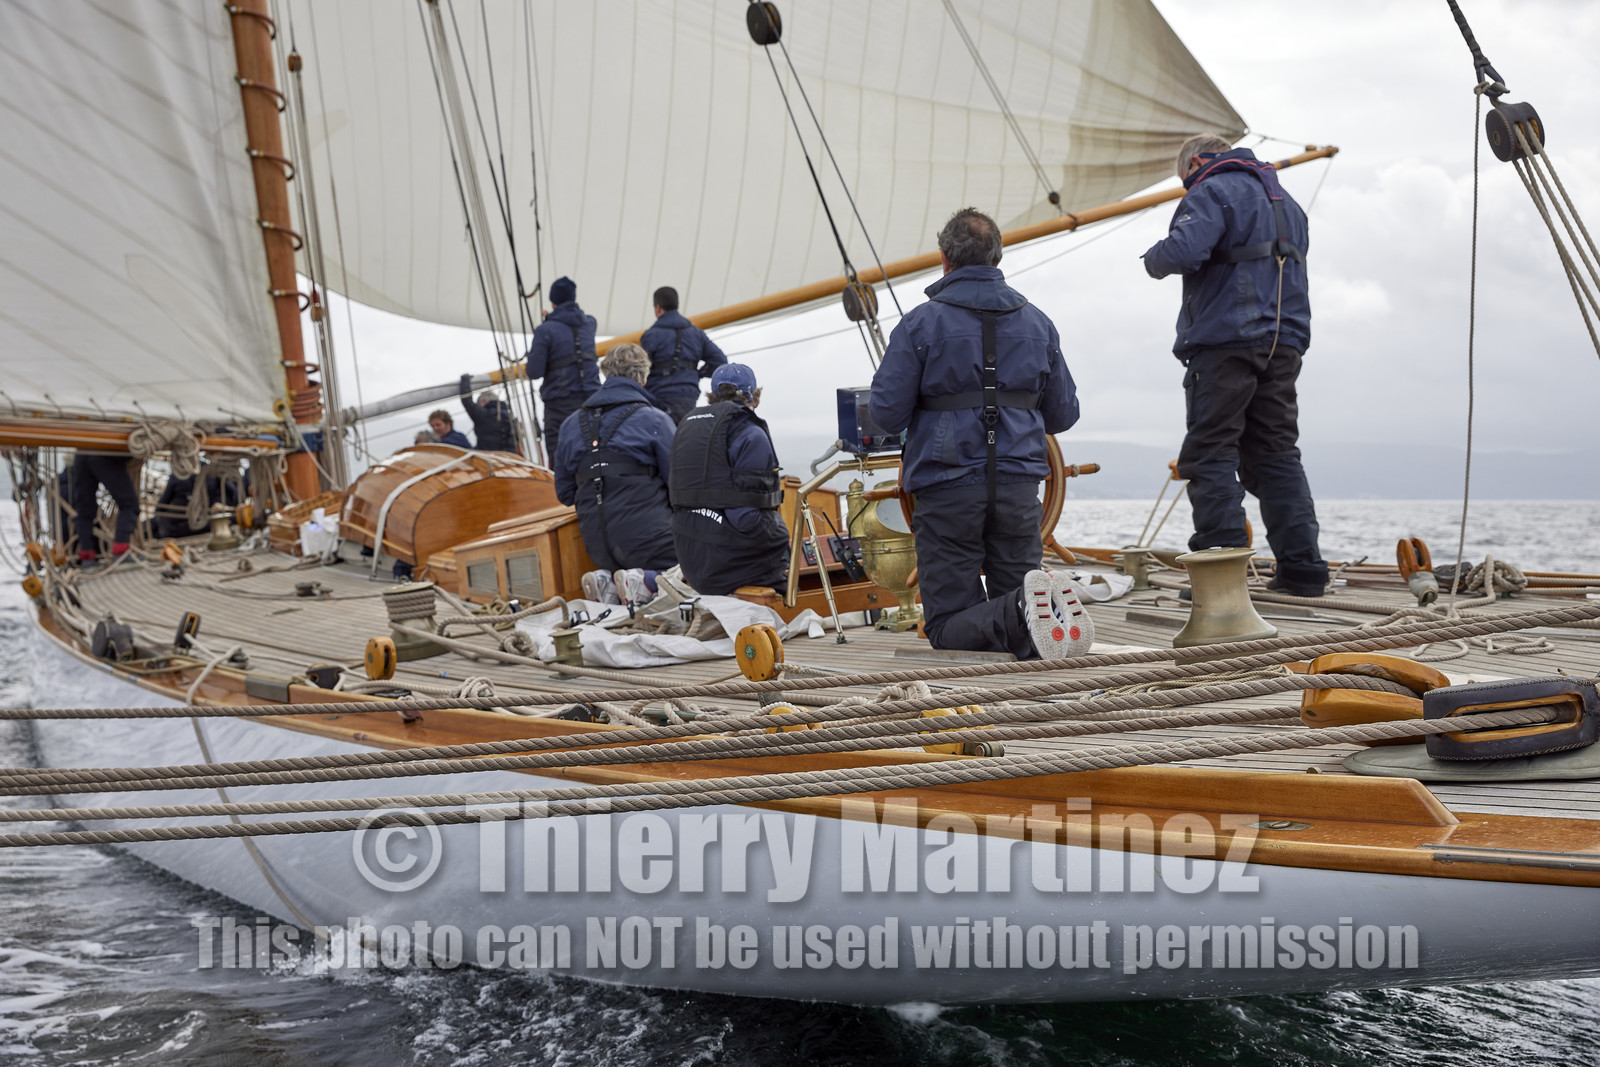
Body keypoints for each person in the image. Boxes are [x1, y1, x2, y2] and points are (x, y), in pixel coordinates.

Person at [870, 208, 1091, 660]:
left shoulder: (918, 325)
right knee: (1031, 632)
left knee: (947, 624)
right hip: (1017, 488)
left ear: (944, 260)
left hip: (947, 491)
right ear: (997, 257)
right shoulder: (1039, 324)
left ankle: (1022, 608)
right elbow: (1064, 414)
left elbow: (887, 416)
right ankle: (1031, 610)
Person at [1141, 133, 1328, 597]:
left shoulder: (1211, 189)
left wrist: (1153, 258)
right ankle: (1303, 573)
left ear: (1199, 162)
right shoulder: (1286, 200)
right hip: (1284, 343)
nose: (1188, 186)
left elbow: (1183, 252)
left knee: (1211, 452)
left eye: (1186, 178)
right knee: (1277, 454)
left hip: (1225, 341)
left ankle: (1221, 576)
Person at [553, 342, 678, 575]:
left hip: (597, 548)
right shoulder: (655, 420)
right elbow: (680, 486)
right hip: (653, 543)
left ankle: (610, 584)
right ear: (643, 379)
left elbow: (565, 494)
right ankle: (649, 581)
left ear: (606, 373)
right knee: (702, 559)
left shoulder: (569, 425)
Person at [668, 363, 788, 596]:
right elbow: (746, 520)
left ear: (712, 394)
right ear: (755, 395)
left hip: (691, 561)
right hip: (732, 566)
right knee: (780, 534)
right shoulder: (751, 434)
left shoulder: (685, 428)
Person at [525, 275, 601, 461]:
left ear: (553, 302)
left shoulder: (546, 331)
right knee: (591, 459)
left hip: (560, 408)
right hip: (592, 403)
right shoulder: (590, 324)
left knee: (561, 462)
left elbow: (534, 372)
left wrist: (546, 324)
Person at [640, 286, 727, 424]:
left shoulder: (650, 336)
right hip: (688, 396)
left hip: (658, 397)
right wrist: (697, 374)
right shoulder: (696, 333)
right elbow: (720, 361)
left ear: (657, 308)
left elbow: (640, 369)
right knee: (684, 437)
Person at [67, 451, 138, 566]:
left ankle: (87, 557)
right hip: (105, 454)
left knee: (84, 510)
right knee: (130, 505)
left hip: (81, 454)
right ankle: (121, 552)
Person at [456, 379, 518, 454]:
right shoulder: (509, 416)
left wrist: (465, 380)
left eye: (478, 403)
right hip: (511, 457)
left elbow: (466, 401)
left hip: (489, 458)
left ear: (484, 401)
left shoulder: (483, 414)